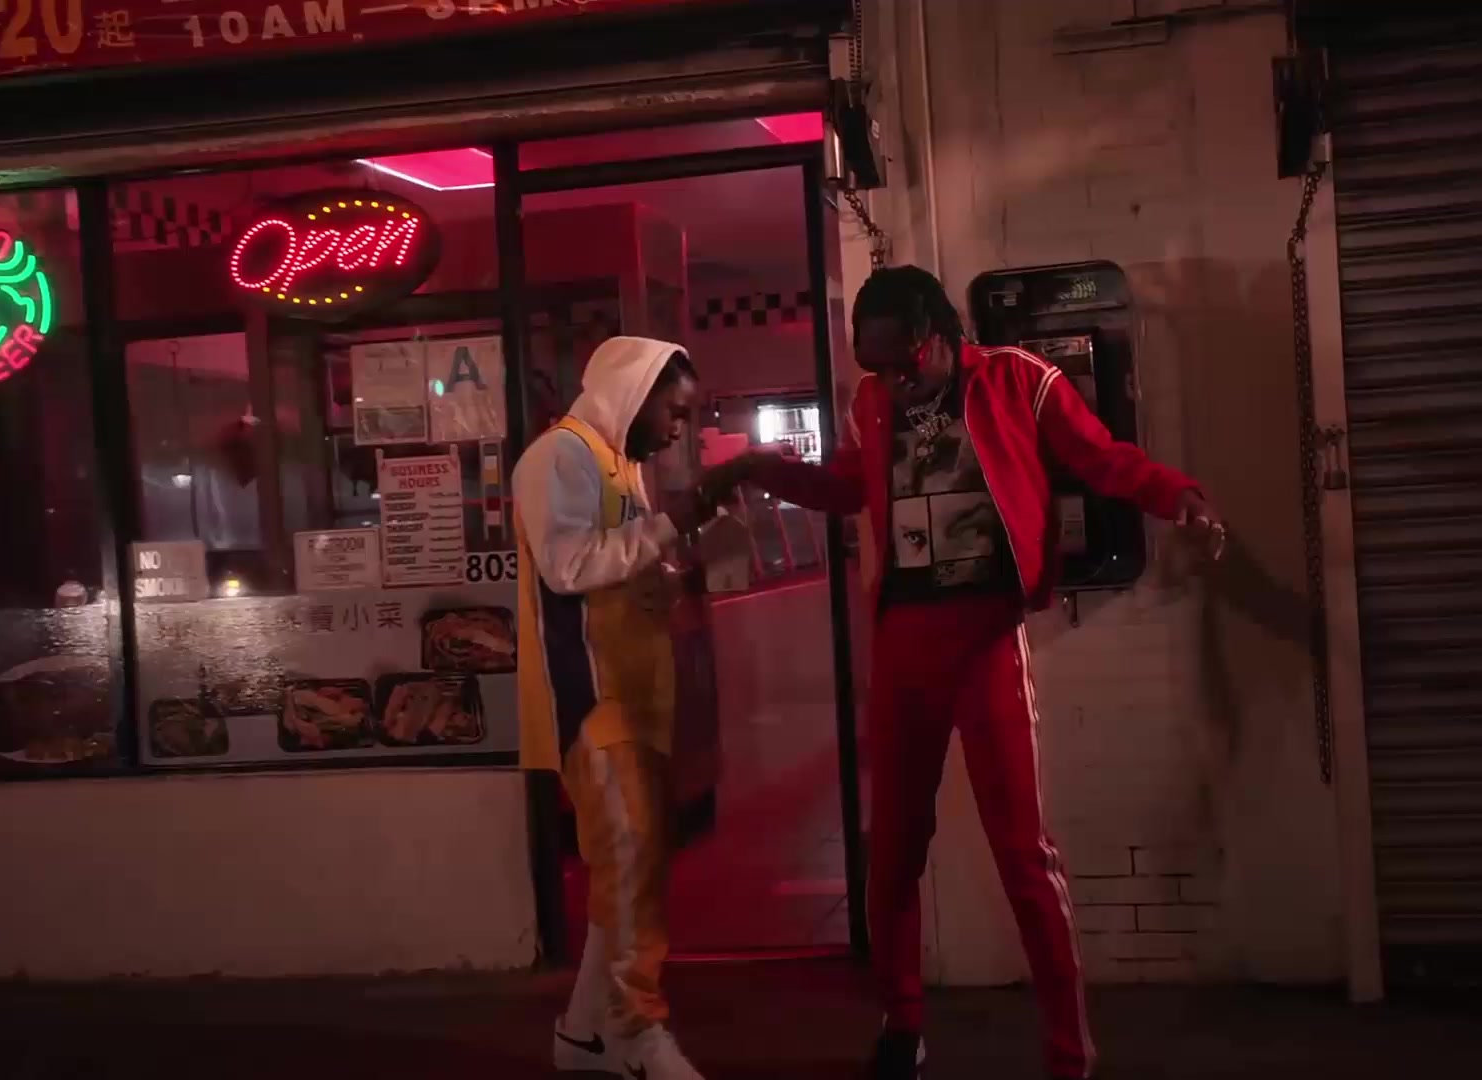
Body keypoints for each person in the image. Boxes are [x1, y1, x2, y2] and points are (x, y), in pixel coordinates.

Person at [703, 266, 1225, 1080]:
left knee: (1023, 854)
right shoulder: (874, 401)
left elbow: (1102, 458)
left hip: (986, 639)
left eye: (903, 363)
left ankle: (1069, 1051)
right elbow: (847, 486)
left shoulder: (1018, 380)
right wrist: (757, 468)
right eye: (875, 368)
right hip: (903, 643)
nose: (891, 382)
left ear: (941, 335)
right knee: (894, 852)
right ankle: (902, 1025)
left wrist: (1179, 495)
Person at [514, 336, 716, 1080]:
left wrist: (670, 573)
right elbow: (567, 565)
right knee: (630, 859)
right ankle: (634, 1032)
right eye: (675, 411)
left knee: (630, 870)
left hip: (632, 698)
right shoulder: (558, 456)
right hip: (591, 698)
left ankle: (582, 1034)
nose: (679, 429)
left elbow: (616, 566)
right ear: (634, 394)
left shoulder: (617, 466)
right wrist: (666, 526)